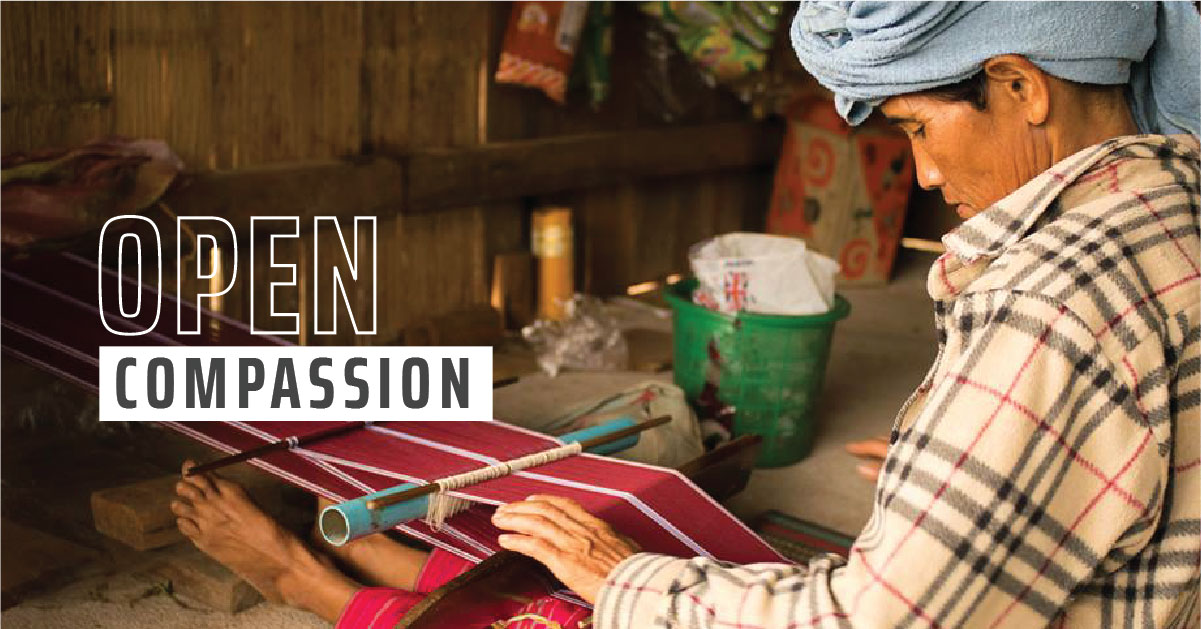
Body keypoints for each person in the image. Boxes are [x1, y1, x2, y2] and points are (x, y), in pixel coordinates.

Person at [173, 2, 1200, 627]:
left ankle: (307, 577)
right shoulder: (1176, 205)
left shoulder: (1046, 300)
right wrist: (984, 456)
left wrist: (626, 578)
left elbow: (873, 618)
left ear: (1019, 84)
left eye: (917, 128)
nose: (925, 173)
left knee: (578, 605)